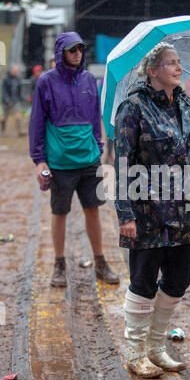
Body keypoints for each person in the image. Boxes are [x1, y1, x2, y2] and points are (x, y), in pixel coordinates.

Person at [114, 42, 190, 378]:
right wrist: (125, 213)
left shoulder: (186, 104)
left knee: (178, 280)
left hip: (185, 207)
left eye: (179, 62)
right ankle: (135, 352)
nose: (179, 68)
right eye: (171, 63)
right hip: (148, 209)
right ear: (153, 70)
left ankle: (157, 348)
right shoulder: (134, 107)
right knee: (143, 281)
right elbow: (122, 164)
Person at [29, 31, 119, 288]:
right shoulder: (46, 82)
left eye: (80, 48)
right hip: (59, 163)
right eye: (72, 49)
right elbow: (36, 122)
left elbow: (94, 118)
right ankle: (59, 265)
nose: (77, 52)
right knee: (60, 213)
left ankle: (100, 262)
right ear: (61, 52)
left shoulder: (90, 79)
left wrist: (98, 147)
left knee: (94, 211)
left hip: (89, 160)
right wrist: (40, 160)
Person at [1, 64, 23, 136]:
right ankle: (3, 130)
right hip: (6, 101)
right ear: (11, 70)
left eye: (17, 71)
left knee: (18, 115)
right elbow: (4, 91)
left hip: (15, 100)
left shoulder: (18, 78)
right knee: (5, 117)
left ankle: (20, 131)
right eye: (15, 71)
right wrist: (8, 100)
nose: (16, 72)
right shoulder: (5, 79)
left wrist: (20, 98)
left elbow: (19, 89)